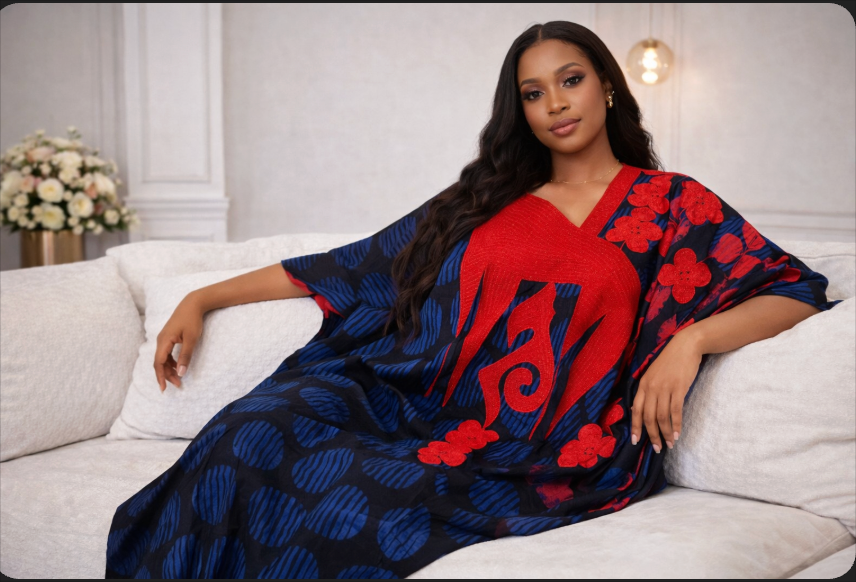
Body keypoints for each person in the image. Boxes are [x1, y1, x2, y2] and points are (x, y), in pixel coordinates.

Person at [105, 20, 842, 579]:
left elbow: (794, 290)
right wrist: (204, 296)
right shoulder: (486, 200)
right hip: (408, 400)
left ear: (608, 85)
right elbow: (353, 265)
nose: (555, 103)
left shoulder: (670, 205)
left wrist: (691, 341)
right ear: (518, 110)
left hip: (537, 447)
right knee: (249, 431)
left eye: (571, 79)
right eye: (533, 92)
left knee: (360, 507)